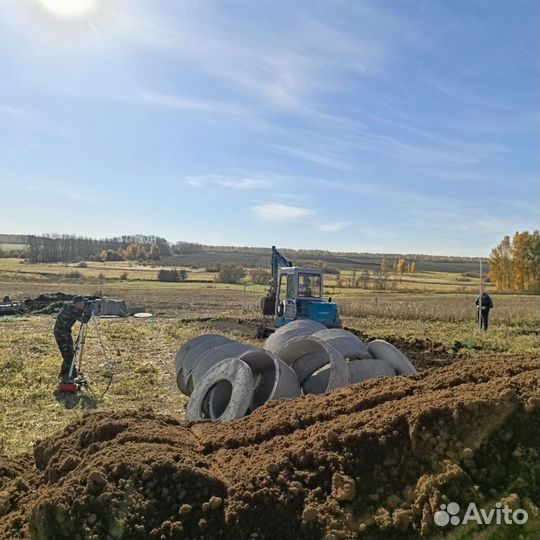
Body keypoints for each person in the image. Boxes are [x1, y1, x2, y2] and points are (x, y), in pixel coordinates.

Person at [54, 296, 91, 382]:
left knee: (68, 353)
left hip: (63, 332)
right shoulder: (72, 310)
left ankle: (66, 373)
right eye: (82, 303)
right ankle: (68, 375)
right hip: (62, 333)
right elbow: (84, 320)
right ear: (77, 304)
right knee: (69, 354)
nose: (84, 305)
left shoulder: (70, 307)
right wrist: (88, 312)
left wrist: (83, 309)